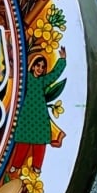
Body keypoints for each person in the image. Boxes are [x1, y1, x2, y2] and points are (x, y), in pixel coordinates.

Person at [10, 47, 67, 175]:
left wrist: (62, 60)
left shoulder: (42, 80)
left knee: (40, 143)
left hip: (40, 116)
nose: (40, 69)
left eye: (42, 67)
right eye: (38, 65)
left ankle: (37, 166)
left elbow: (54, 75)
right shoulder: (26, 78)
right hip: (27, 114)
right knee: (23, 142)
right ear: (33, 65)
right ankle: (16, 165)